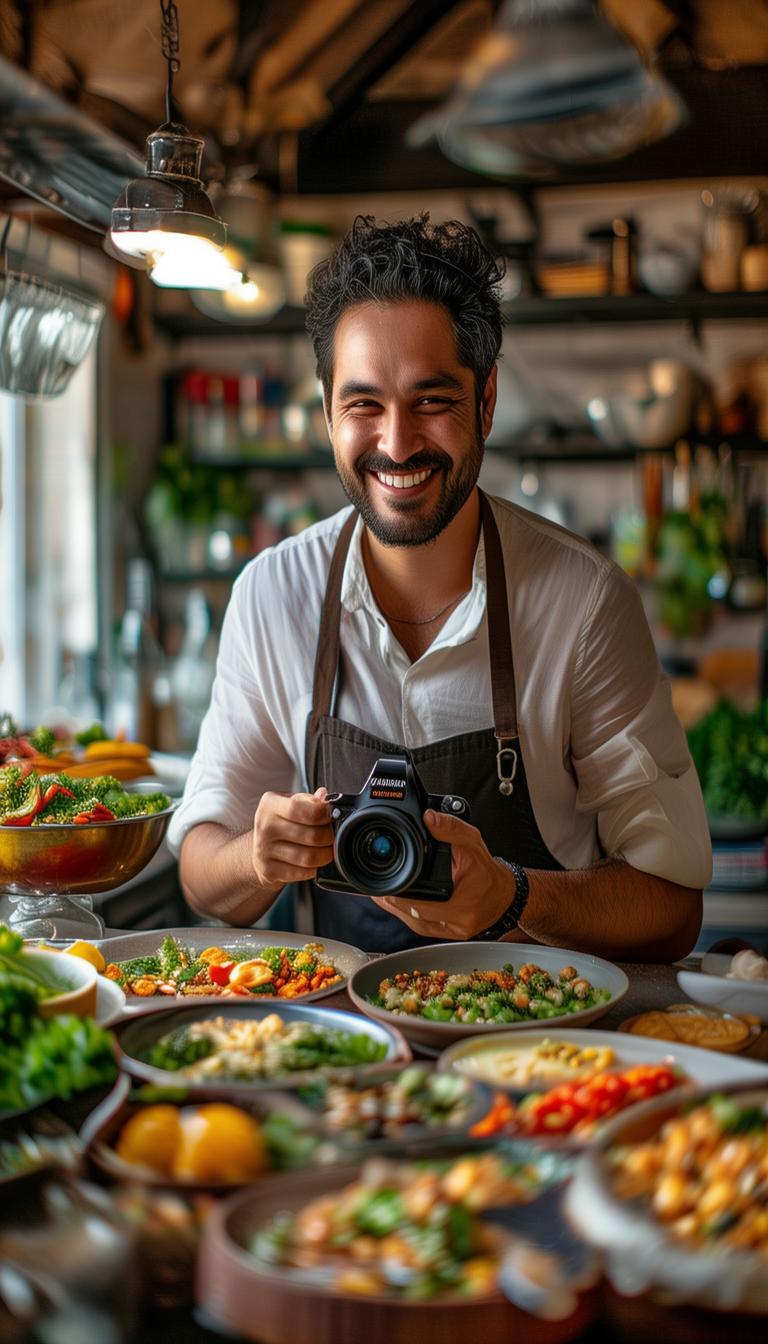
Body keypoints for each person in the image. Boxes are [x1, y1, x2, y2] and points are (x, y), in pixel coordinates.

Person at [168, 215, 711, 959]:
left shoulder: (581, 602)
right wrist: (256, 859)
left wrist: (513, 895)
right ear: (328, 412)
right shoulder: (273, 594)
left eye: (432, 401)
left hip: (546, 1046)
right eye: (364, 404)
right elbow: (203, 875)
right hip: (350, 1045)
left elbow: (674, 907)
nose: (396, 444)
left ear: (484, 404)